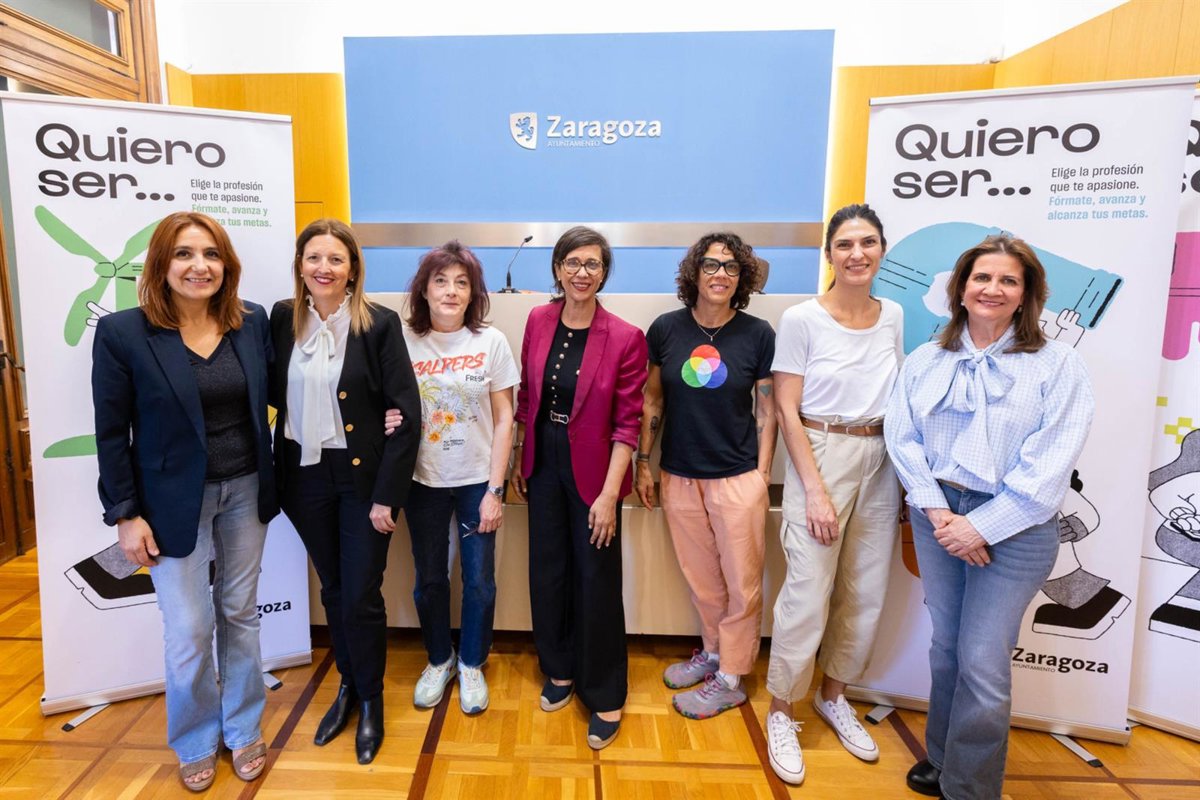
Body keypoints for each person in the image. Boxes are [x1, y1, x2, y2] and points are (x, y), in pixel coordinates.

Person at [885, 234, 1094, 800]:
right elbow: (902, 440)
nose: (992, 289)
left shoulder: (1059, 365)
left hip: (1017, 526)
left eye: (1008, 280)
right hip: (938, 515)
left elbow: (1049, 466)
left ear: (1027, 294)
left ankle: (971, 788)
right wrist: (941, 515)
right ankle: (942, 758)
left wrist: (980, 527)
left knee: (982, 659)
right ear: (960, 288)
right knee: (946, 646)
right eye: (982, 277)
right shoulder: (927, 360)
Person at [92, 211, 275, 791]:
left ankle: (243, 728)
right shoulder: (124, 333)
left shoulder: (251, 321)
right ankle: (195, 738)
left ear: (227, 265)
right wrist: (125, 514)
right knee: (191, 629)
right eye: (185, 254)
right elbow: (110, 432)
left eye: (211, 254)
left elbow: (287, 390)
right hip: (170, 502)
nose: (200, 266)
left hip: (246, 488)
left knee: (239, 614)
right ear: (161, 264)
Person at [761, 205, 904, 784]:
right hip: (820, 453)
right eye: (844, 244)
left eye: (867, 243)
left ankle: (833, 695)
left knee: (865, 591)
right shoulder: (802, 319)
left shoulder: (893, 315)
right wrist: (815, 492)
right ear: (829, 255)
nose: (856, 254)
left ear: (882, 249)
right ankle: (781, 710)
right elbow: (785, 409)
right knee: (807, 593)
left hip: (882, 456)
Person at [270, 219, 420, 765]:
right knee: (333, 590)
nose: (324, 268)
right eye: (314, 257)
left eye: (336, 259)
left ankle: (372, 699)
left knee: (360, 593)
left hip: (361, 482)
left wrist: (387, 495)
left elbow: (407, 413)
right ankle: (348, 686)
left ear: (353, 268)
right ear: (300, 265)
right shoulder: (282, 318)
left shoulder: (378, 323)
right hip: (303, 477)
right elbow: (268, 390)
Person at [509, 226, 647, 750]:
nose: (581, 273)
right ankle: (560, 668)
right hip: (543, 459)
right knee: (547, 571)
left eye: (592, 264)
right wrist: (520, 457)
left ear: (604, 272)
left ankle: (605, 691)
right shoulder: (537, 320)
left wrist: (609, 496)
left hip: (596, 470)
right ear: (557, 269)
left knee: (596, 579)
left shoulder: (626, 337)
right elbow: (527, 399)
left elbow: (628, 425)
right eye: (572, 262)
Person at [635, 232, 776, 721]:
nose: (721, 274)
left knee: (742, 584)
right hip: (679, 475)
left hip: (737, 477)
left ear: (743, 278)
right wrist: (644, 463)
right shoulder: (666, 329)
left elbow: (767, 411)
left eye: (732, 267)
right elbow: (652, 399)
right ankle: (714, 655)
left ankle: (732, 678)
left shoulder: (758, 334)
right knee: (703, 581)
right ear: (694, 272)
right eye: (712, 265)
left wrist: (761, 475)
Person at [402, 241, 518, 715]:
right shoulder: (404, 341)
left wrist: (495, 489)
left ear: (473, 293)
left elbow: (506, 418)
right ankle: (439, 659)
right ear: (424, 290)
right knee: (429, 578)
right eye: (441, 281)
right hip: (422, 481)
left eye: (461, 283)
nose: (451, 291)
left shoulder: (490, 342)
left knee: (479, 579)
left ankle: (471, 662)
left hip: (476, 481)